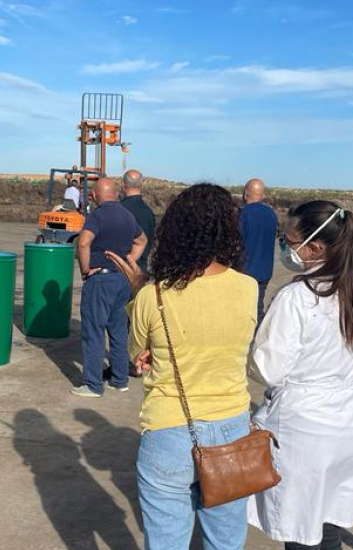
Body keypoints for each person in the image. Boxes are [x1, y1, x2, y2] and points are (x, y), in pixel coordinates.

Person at [107, 183, 257, 550]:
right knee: (225, 540)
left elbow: (136, 354)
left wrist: (141, 289)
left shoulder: (152, 295)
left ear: (175, 231)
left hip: (169, 429)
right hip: (233, 428)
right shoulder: (249, 287)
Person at [247, 200, 353, 550]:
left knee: (299, 528)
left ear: (316, 247)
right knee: (328, 521)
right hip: (347, 421)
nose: (286, 247)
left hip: (302, 427)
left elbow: (268, 368)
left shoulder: (298, 297)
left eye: (290, 241)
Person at [72, 178, 146, 398]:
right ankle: (120, 379)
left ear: (95, 195)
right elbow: (142, 240)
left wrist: (86, 269)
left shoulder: (97, 215)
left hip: (100, 280)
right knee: (118, 331)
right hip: (122, 281)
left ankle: (94, 385)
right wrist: (128, 262)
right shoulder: (127, 215)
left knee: (94, 332)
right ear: (116, 193)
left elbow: (83, 242)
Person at [239, 178, 278, 320]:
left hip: (245, 272)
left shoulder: (242, 215)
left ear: (245, 193)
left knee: (243, 310)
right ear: (262, 196)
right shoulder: (272, 215)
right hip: (265, 271)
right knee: (258, 307)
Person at [120, 169, 157, 272]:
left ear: (123, 184)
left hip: (121, 267)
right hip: (141, 268)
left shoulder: (119, 209)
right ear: (141, 185)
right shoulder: (148, 211)